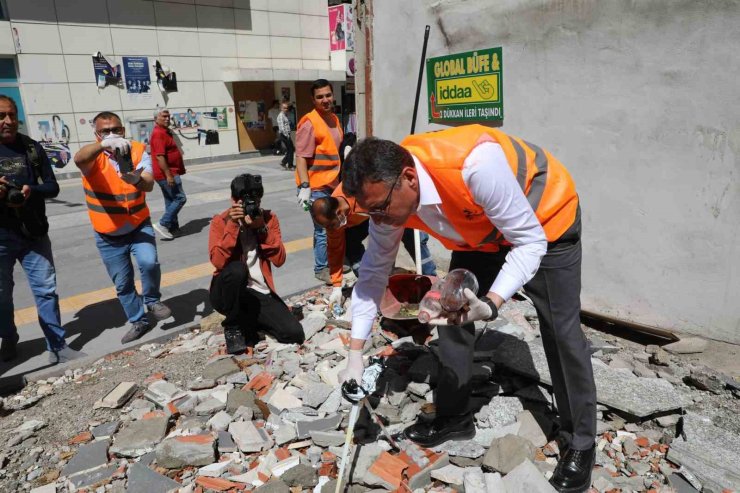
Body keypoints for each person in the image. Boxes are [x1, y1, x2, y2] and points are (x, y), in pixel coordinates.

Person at [339, 125, 596, 493]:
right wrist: (355, 352)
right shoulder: (387, 197)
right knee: (451, 312)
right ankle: (456, 415)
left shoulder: (475, 166)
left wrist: (491, 304)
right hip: (481, 231)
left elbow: (529, 242)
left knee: (562, 333)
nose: (378, 221)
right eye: (370, 213)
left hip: (545, 222)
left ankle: (582, 442)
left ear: (409, 178)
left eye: (380, 210)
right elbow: (373, 272)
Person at [73, 111, 172, 344]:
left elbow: (148, 184)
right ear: (97, 135)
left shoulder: (137, 149)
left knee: (149, 263)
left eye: (116, 130)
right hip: (108, 234)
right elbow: (78, 158)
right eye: (105, 131)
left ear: (123, 131)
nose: (112, 134)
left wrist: (136, 179)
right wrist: (103, 146)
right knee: (123, 283)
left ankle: (152, 300)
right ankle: (139, 321)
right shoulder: (92, 158)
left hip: (138, 226)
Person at [0, 95, 83, 364]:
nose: (8, 121)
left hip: (33, 233)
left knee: (46, 291)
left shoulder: (31, 148)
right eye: (1, 116)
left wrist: (30, 191)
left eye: (12, 115)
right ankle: (9, 339)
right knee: (2, 296)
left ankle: (56, 344)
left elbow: (52, 186)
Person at [208, 174, 305, 354]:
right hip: (226, 291)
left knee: (293, 333)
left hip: (258, 290)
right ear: (233, 200)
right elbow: (218, 262)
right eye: (244, 203)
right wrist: (233, 226)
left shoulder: (269, 219)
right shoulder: (220, 221)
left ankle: (250, 320)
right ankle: (233, 326)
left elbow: (279, 260)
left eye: (255, 202)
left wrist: (261, 229)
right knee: (238, 270)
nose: (249, 207)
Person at [311, 184, 438, 308]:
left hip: (388, 208)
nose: (331, 230)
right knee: (349, 243)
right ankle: (371, 285)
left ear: (338, 213)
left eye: (331, 226)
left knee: (412, 237)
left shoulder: (362, 190)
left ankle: (431, 281)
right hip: (363, 218)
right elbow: (335, 251)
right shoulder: (334, 221)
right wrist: (337, 286)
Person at [295, 79, 343, 285]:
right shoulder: (309, 122)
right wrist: (305, 187)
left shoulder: (334, 119)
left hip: (333, 183)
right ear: (313, 100)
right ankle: (321, 268)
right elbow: (301, 157)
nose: (325, 100)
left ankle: (333, 264)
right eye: (320, 97)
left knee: (335, 226)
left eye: (328, 95)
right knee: (322, 229)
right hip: (315, 186)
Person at [150, 108, 187, 240]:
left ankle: (173, 228)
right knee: (180, 198)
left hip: (170, 171)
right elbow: (160, 157)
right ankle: (163, 223)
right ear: (156, 118)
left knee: (170, 200)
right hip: (167, 173)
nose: (167, 119)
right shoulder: (158, 133)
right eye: (164, 116)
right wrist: (169, 175)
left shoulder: (165, 132)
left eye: (168, 116)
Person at [276, 102, 294, 170]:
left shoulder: (285, 115)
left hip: (286, 135)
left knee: (290, 149)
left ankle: (284, 162)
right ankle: (290, 165)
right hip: (284, 135)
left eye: (286, 108)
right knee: (291, 149)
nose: (286, 109)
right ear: (281, 108)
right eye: (284, 108)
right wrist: (287, 136)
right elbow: (282, 127)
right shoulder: (281, 116)